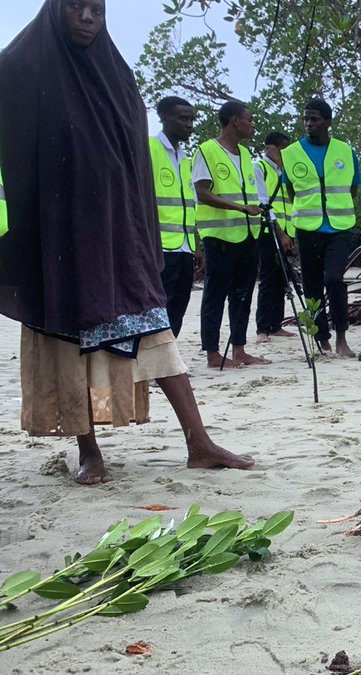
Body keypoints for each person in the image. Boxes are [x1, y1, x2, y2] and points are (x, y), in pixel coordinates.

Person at [0, 0, 253, 484]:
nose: (88, 19)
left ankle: (199, 442)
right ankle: (89, 451)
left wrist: (139, 232)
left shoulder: (117, 77)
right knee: (67, 341)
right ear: (56, 11)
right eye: (77, 8)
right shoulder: (22, 69)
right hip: (58, 238)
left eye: (97, 10)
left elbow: (130, 162)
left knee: (155, 332)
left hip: (120, 235)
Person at [282, 99, 361, 358]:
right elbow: (291, 190)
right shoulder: (292, 152)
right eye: (306, 119)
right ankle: (321, 338)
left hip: (339, 228)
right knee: (312, 286)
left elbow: (353, 187)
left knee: (334, 280)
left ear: (327, 121)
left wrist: (336, 207)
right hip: (307, 229)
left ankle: (341, 336)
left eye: (314, 119)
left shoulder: (345, 151)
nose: (308, 124)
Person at [193, 100, 271, 368]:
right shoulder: (206, 150)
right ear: (234, 121)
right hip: (220, 236)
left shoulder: (247, 155)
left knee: (243, 293)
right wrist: (240, 208)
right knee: (215, 294)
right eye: (249, 119)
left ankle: (239, 349)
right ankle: (213, 354)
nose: (252, 124)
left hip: (248, 234)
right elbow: (202, 192)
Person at [151, 96, 200, 338]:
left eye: (191, 119)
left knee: (179, 304)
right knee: (159, 306)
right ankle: (152, 364)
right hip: (160, 246)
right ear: (163, 118)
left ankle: (168, 363)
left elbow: (190, 206)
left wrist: (197, 245)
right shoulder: (149, 149)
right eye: (183, 118)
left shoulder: (185, 159)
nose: (189, 124)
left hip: (185, 246)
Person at [255, 131, 297, 343]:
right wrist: (280, 233)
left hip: (288, 232)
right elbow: (263, 203)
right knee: (269, 278)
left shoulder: (286, 171)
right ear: (269, 148)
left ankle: (276, 325)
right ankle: (262, 327)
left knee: (283, 278)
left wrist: (290, 233)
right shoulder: (260, 168)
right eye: (281, 149)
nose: (283, 154)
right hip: (269, 231)